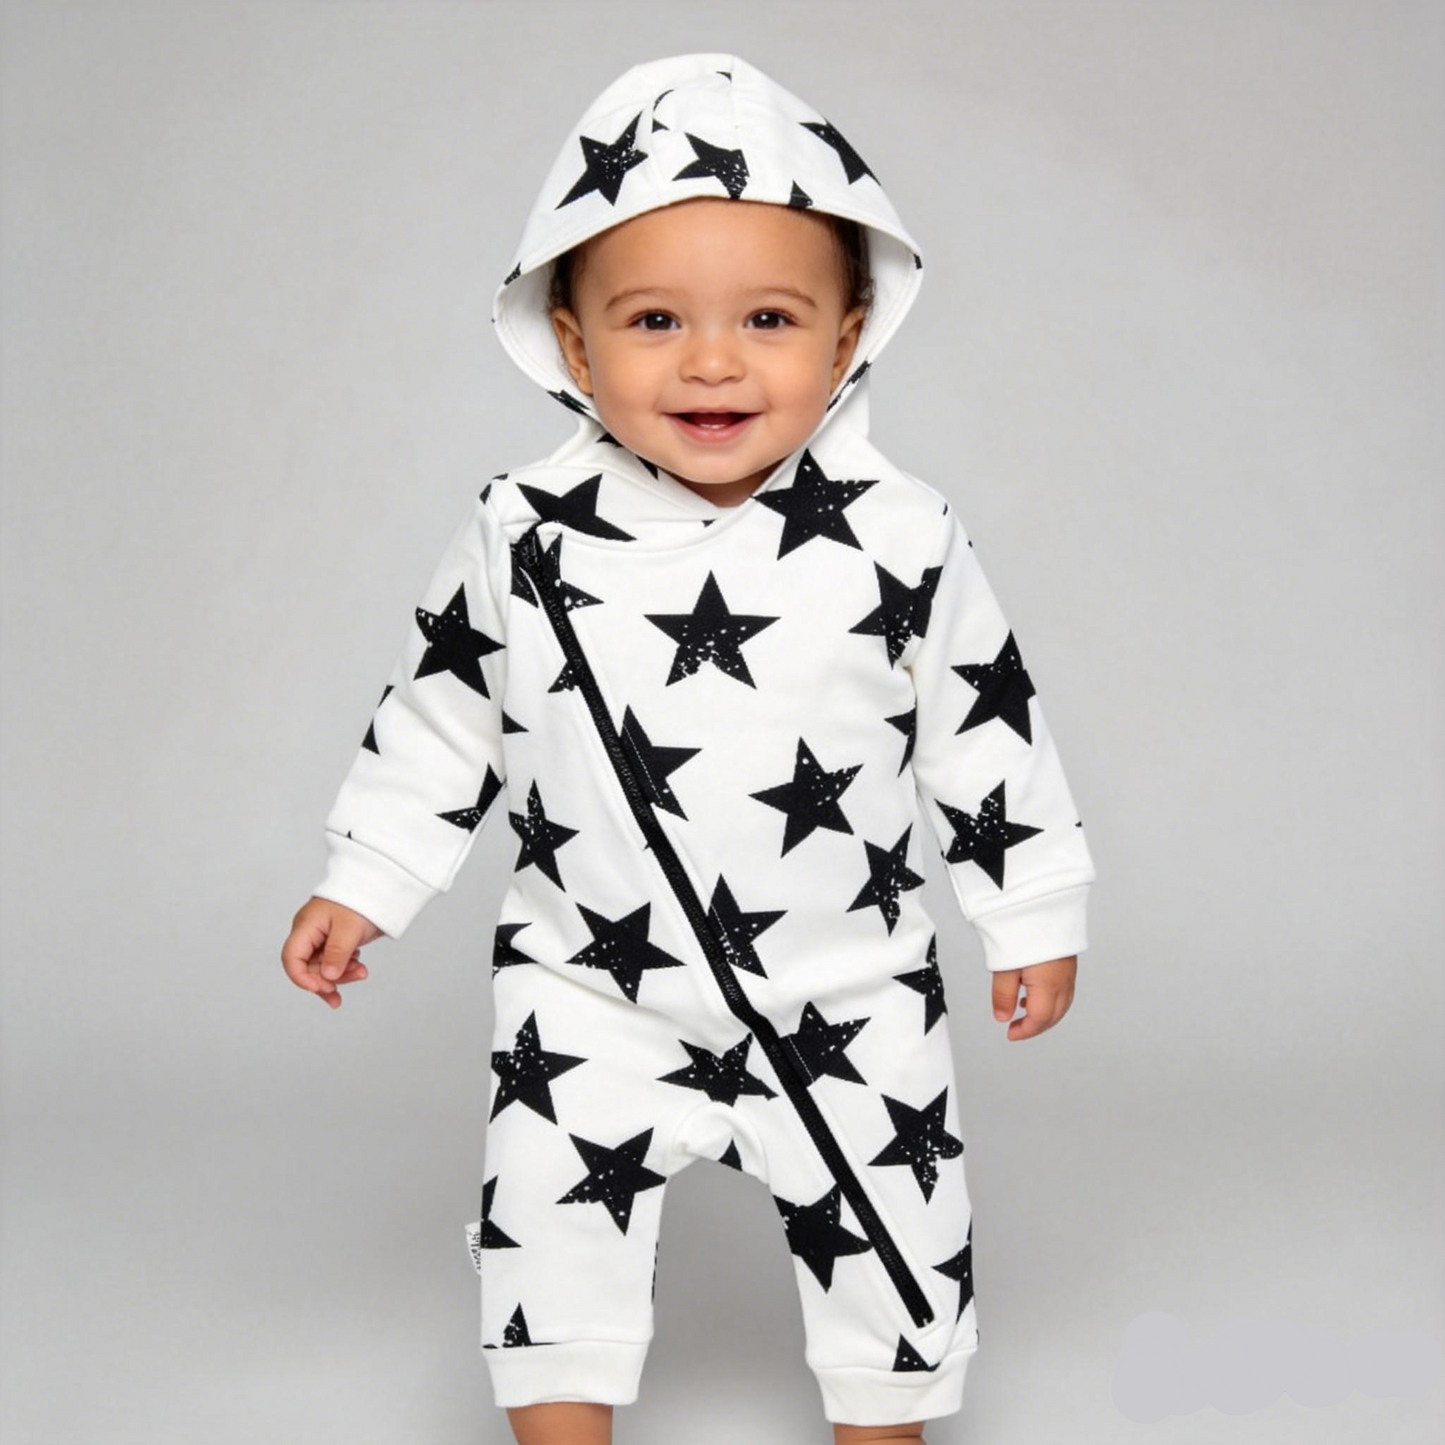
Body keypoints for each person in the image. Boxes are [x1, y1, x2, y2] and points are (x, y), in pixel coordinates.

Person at [281, 51, 1097, 1445]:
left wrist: (1028, 910)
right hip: (587, 988)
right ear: (573, 345)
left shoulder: (902, 534)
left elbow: (983, 727)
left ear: (848, 335)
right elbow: (442, 712)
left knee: (897, 1243)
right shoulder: (525, 531)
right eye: (654, 320)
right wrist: (366, 879)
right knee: (546, 1231)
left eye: (769, 318)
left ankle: (885, 1421)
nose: (712, 361)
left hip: (848, 986)